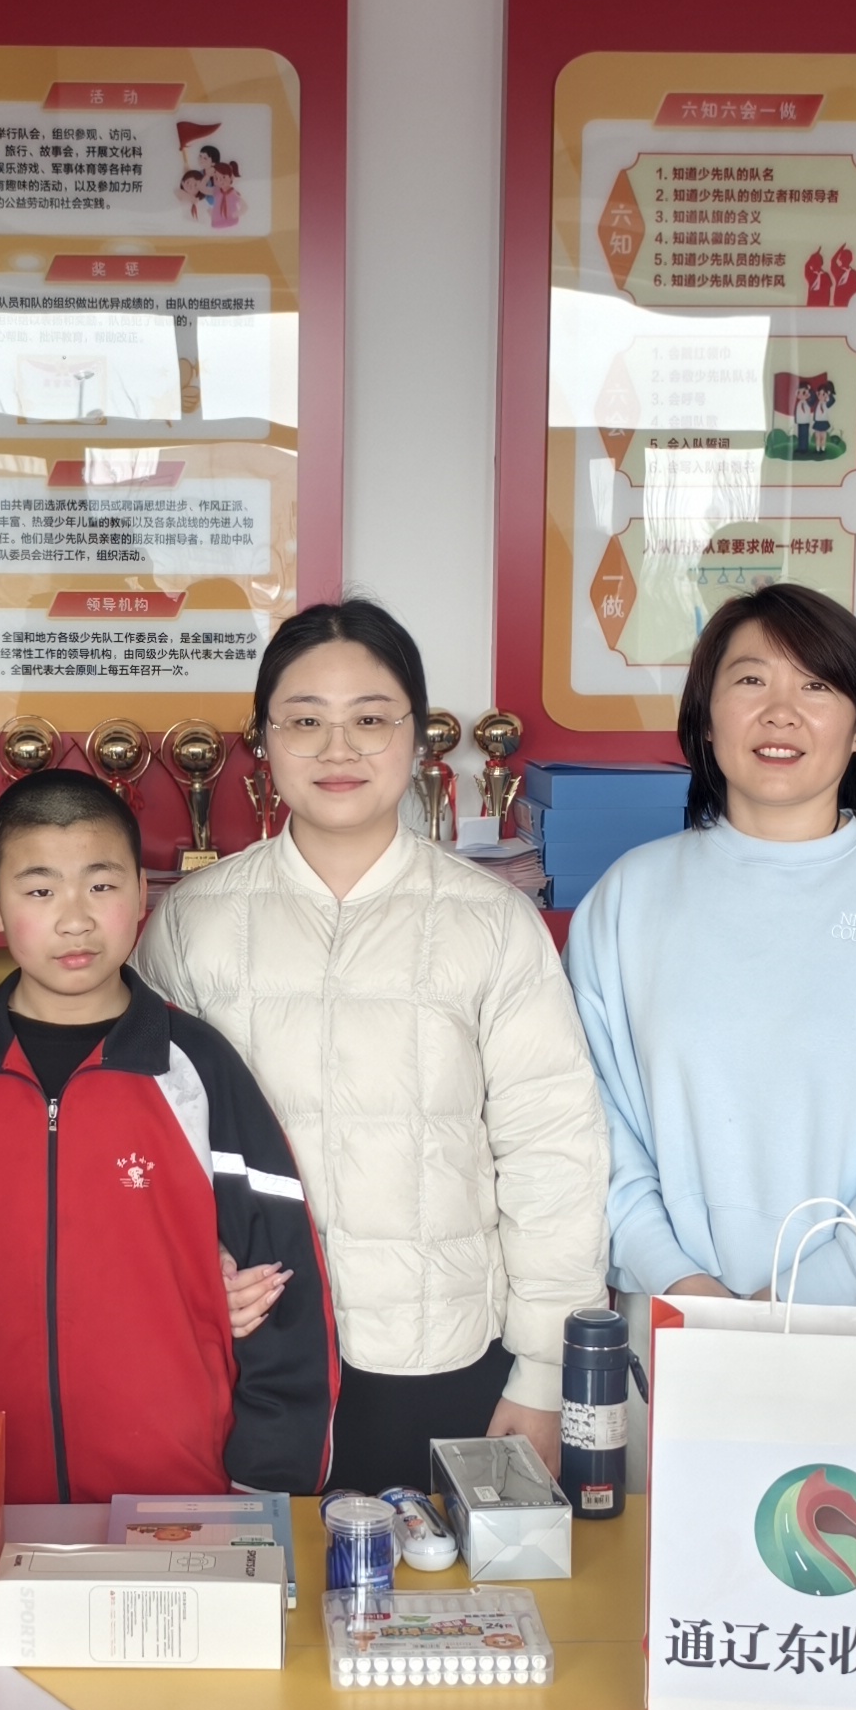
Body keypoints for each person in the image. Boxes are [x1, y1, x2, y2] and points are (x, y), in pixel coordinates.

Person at [137, 597, 608, 1497]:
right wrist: (196, 1272)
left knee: (434, 1586)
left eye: (370, 719)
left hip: (442, 1354)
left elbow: (553, 1153)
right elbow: (147, 1146)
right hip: (247, 1356)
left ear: (418, 736)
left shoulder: (491, 922)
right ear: (263, 741)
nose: (338, 749)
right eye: (305, 720)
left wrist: (545, 1370)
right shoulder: (193, 923)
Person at [0, 766, 334, 1502]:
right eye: (40, 892)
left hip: (176, 1500)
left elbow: (283, 1290)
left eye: (101, 885)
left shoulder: (198, 1068)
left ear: (142, 893)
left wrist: (264, 1489)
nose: (75, 920)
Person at [568, 581, 856, 1309]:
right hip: (675, 1316)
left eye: (817, 685)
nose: (781, 711)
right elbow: (588, 1116)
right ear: (705, 719)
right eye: (750, 680)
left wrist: (810, 1299)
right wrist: (675, 1278)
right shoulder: (628, 898)